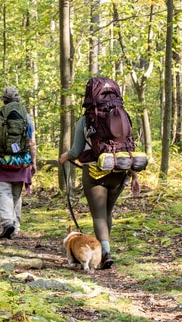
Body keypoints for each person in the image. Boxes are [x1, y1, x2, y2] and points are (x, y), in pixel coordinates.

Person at [59, 90, 140, 269]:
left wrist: (65, 156)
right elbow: (130, 146)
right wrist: (134, 176)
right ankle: (103, 251)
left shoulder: (86, 119)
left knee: (98, 215)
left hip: (95, 172)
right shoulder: (123, 115)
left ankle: (105, 253)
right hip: (120, 170)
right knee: (107, 213)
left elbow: (76, 151)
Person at [0, 86, 37, 239]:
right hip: (21, 161)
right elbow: (31, 142)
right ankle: (16, 227)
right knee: (16, 194)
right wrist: (33, 162)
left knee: (2, 191)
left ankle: (8, 223)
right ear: (18, 100)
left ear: (4, 101)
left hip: (1, 161)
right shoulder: (26, 117)